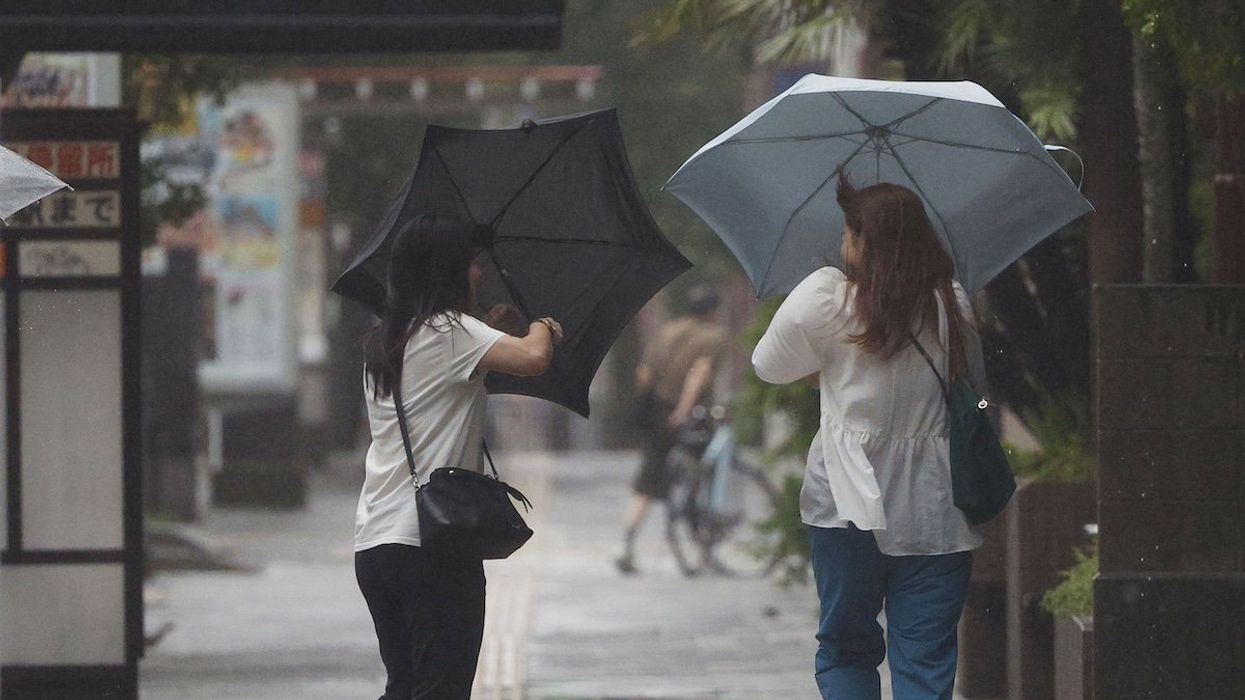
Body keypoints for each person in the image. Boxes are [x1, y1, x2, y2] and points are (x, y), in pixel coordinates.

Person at [752, 177, 988, 700]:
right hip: (935, 509)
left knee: (845, 649)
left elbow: (767, 366)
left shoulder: (824, 301)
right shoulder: (951, 303)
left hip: (844, 502)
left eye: (847, 233)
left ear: (864, 241)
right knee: (925, 662)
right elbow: (968, 380)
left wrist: (823, 367)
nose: (841, 245)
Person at [353, 214, 563, 700]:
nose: (479, 273)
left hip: (377, 542)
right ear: (447, 269)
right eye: (470, 263)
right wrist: (543, 326)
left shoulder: (387, 339)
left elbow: (440, 381)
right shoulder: (450, 331)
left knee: (404, 688)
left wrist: (489, 331)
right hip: (433, 546)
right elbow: (533, 358)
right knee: (441, 690)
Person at [615, 285, 726, 575]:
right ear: (713, 311)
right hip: (689, 416)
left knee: (648, 480)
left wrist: (651, 405)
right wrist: (683, 409)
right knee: (703, 472)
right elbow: (699, 374)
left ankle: (626, 544)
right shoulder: (713, 336)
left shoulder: (666, 331)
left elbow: (644, 372)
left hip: (656, 413)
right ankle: (702, 542)